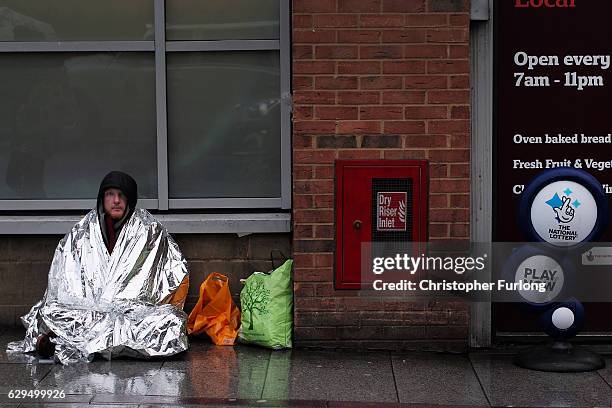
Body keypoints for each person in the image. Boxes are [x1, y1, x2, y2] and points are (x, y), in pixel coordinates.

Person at [7, 171, 189, 364]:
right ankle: (108, 345)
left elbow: (174, 275)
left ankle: (67, 342)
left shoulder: (149, 230)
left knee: (172, 322)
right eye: (110, 194)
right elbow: (63, 282)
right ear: (102, 199)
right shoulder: (83, 231)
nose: (116, 200)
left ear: (130, 199)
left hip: (133, 312)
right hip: (89, 308)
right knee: (50, 312)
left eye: (121, 195)